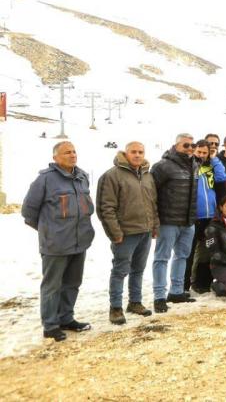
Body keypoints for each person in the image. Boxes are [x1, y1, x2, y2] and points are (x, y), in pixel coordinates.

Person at [22, 141, 95, 341]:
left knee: (72, 283)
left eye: (74, 151)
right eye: (66, 152)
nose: (72, 155)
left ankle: (66, 318)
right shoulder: (45, 179)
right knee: (52, 286)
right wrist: (49, 231)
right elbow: (28, 211)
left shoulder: (82, 177)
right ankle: (50, 325)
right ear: (55, 157)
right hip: (55, 244)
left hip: (80, 241)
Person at [96, 142, 159, 325]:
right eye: (133, 152)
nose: (137, 155)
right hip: (125, 233)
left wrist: (154, 226)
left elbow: (153, 203)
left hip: (145, 231)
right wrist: (115, 232)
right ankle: (116, 308)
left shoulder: (147, 175)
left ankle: (135, 302)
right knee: (120, 271)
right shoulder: (112, 175)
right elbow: (106, 207)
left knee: (138, 269)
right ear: (125, 153)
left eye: (141, 152)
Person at [150, 133, 199, 313]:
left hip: (188, 221)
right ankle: (159, 296)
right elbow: (151, 194)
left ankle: (176, 292)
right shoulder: (162, 166)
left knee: (182, 256)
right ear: (176, 145)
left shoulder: (195, 164)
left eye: (192, 145)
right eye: (186, 145)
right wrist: (154, 220)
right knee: (162, 258)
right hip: (168, 221)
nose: (190, 148)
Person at [189, 140, 226, 293]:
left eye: (205, 153)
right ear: (194, 151)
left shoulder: (209, 167)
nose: (202, 155)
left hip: (210, 215)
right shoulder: (190, 166)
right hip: (194, 215)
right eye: (199, 152)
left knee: (206, 250)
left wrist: (214, 158)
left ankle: (202, 282)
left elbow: (222, 177)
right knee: (191, 252)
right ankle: (187, 283)